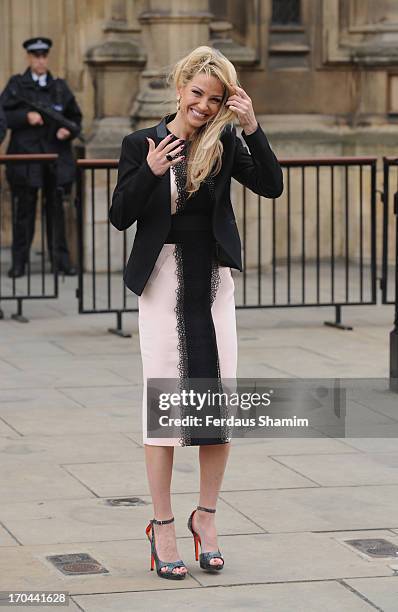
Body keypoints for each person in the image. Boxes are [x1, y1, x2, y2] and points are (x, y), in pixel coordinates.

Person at [110, 46, 283, 580]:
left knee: (216, 406)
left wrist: (252, 127)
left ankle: (205, 518)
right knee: (164, 411)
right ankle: (162, 526)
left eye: (215, 99)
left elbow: (271, 185)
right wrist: (151, 171)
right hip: (162, 282)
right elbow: (120, 216)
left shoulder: (227, 142)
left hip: (212, 282)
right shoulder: (141, 143)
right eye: (197, 94)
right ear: (181, 85)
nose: (204, 106)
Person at [0, 37, 82, 278]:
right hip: (25, 159)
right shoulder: (17, 86)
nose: (40, 60)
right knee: (23, 213)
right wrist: (25, 117)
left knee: (56, 212)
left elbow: (76, 118)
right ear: (29, 58)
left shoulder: (59, 87)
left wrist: (68, 131)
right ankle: (19, 263)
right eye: (36, 56)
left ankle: (61, 262)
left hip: (55, 158)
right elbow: (3, 117)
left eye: (44, 56)